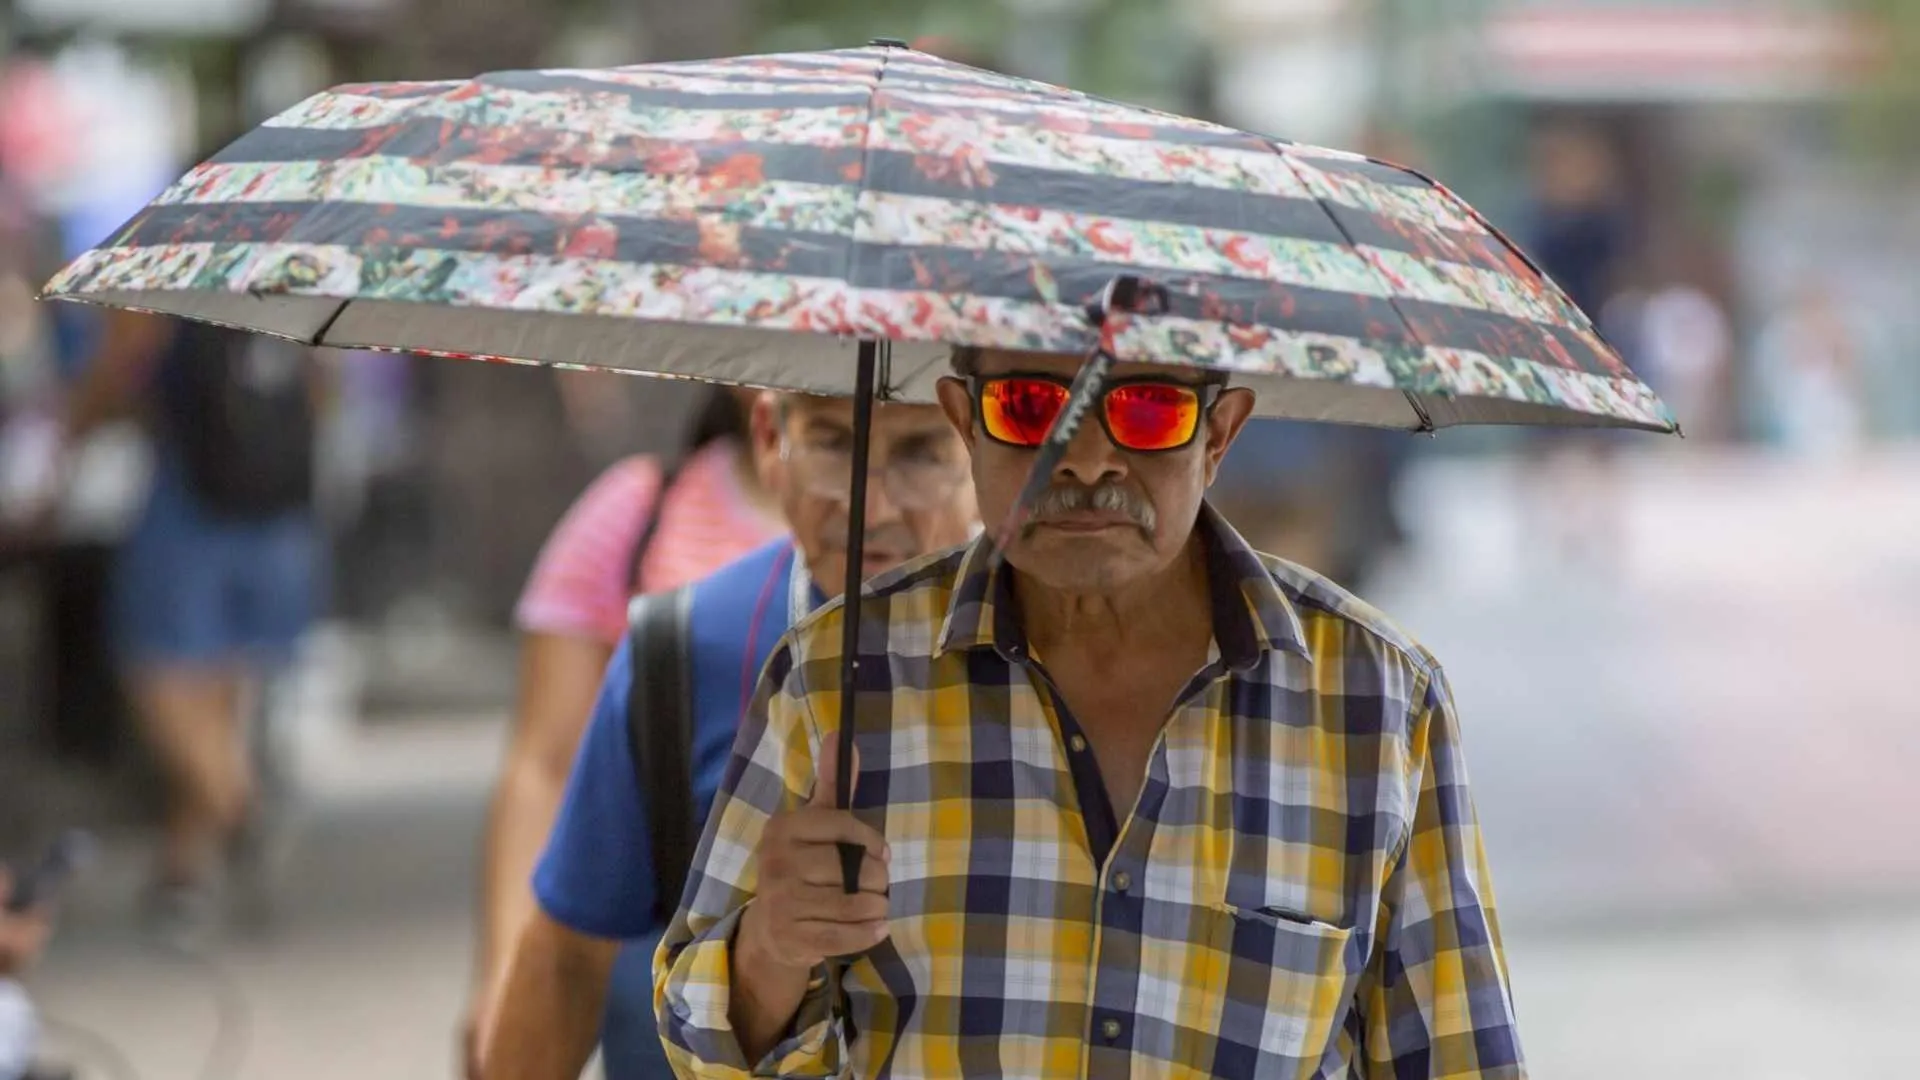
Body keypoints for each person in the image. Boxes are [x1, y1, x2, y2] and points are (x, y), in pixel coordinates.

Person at [657, 347, 1524, 1078]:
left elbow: (1456, 1054)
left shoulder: (1376, 701)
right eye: (1032, 408)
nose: (1087, 459)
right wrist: (771, 949)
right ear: (965, 420)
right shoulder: (833, 677)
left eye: (1147, 410)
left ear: (1219, 434)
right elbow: (698, 1040)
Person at [479, 391, 977, 1080]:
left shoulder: (1060, 647)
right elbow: (566, 960)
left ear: (986, 449)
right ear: (772, 440)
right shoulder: (686, 650)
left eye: (921, 454)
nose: (874, 507)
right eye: (833, 444)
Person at [463, 385, 788, 1075]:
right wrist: (504, 970)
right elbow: (543, 763)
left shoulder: (941, 544)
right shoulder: (639, 511)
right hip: (650, 940)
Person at [51, 306, 324, 939]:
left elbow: (114, 376)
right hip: (277, 509)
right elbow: (321, 391)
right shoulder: (294, 275)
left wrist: (77, 429)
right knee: (222, 695)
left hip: (191, 506)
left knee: (161, 675)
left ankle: (238, 806)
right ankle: (183, 870)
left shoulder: (170, 282)